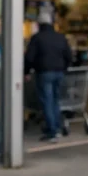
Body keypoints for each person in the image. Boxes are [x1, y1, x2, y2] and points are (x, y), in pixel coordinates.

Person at [25, 12, 73, 143]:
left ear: (39, 24)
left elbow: (29, 57)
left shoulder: (37, 38)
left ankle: (52, 131)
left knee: (47, 101)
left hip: (44, 72)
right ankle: (56, 127)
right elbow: (69, 56)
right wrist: (64, 68)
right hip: (59, 73)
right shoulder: (60, 37)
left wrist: (27, 71)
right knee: (55, 100)